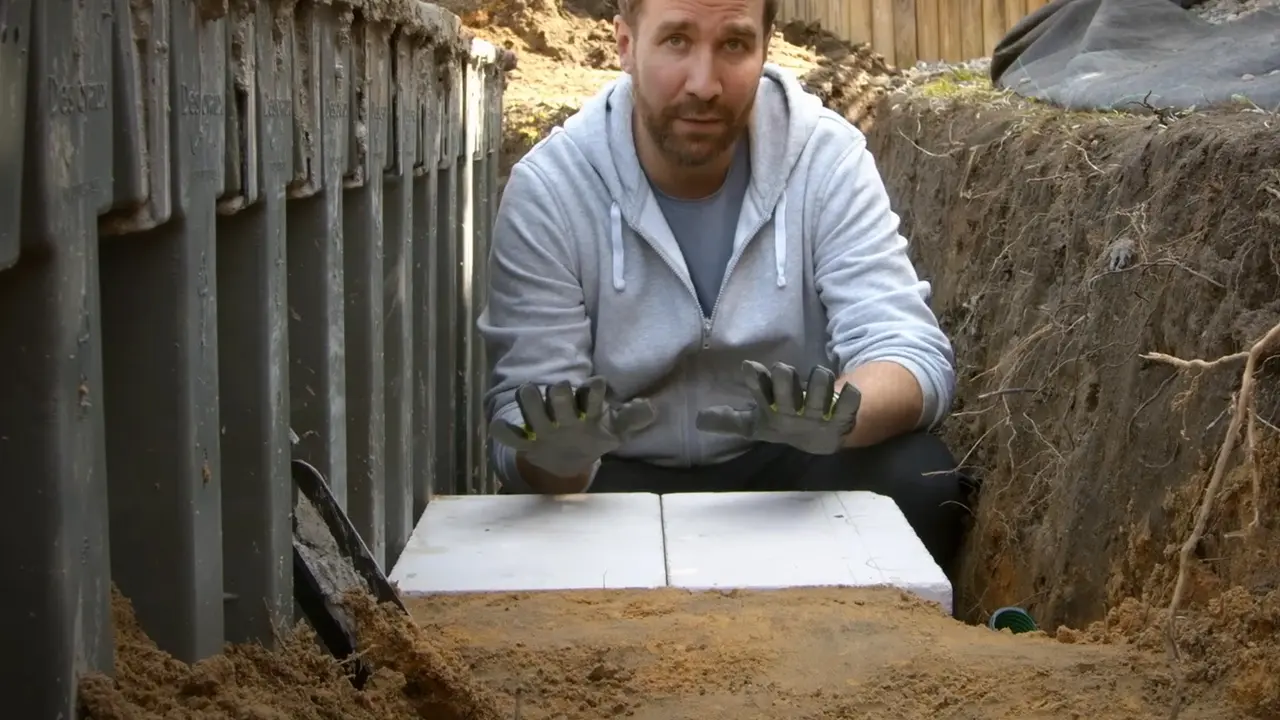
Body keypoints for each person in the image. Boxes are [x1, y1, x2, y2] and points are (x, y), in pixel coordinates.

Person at [476, 0, 971, 583]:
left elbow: (909, 351)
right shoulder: (550, 190)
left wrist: (839, 416)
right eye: (677, 41)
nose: (704, 84)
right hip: (613, 480)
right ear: (626, 45)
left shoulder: (825, 158)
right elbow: (523, 417)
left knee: (923, 481)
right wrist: (556, 458)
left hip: (789, 470)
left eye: (734, 44)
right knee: (532, 529)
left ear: (766, 48)